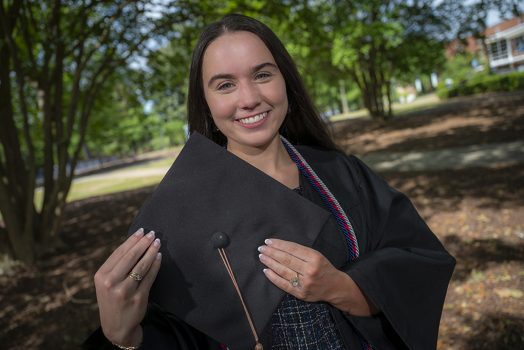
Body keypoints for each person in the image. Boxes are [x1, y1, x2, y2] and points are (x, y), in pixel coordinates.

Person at [84, 14, 455, 350]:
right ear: (207, 104)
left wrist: (340, 288)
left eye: (262, 75)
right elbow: (176, 333)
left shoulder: (343, 176)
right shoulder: (180, 215)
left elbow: (417, 265)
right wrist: (124, 336)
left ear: (286, 83)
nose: (249, 98)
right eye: (225, 85)